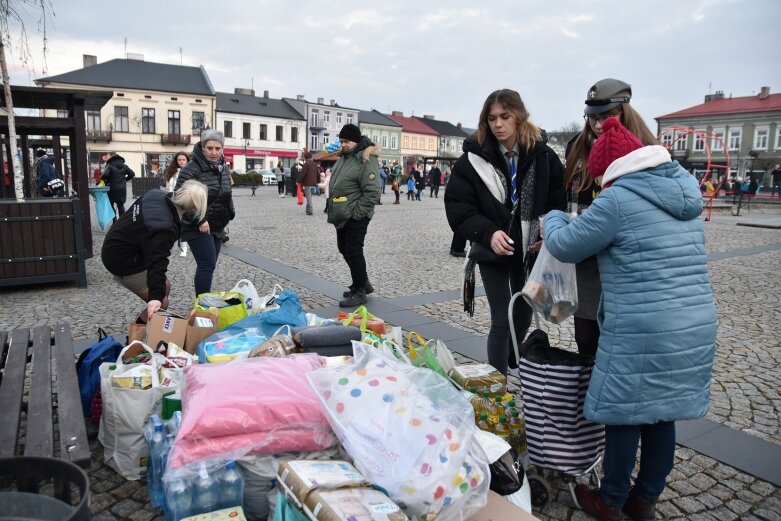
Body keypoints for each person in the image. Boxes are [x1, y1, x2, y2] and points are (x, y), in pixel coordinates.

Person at [543, 116, 717, 521]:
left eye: (602, 175)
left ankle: (612, 499)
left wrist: (554, 216)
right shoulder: (685, 190)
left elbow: (565, 245)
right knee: (661, 413)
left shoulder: (618, 198)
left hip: (643, 326)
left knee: (624, 412)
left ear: (614, 170)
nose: (602, 183)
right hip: (693, 322)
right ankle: (646, 499)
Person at [444, 88, 566, 376]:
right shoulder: (472, 160)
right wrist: (487, 233)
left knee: (523, 312)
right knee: (501, 318)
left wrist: (545, 232)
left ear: (519, 117)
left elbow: (556, 200)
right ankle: (497, 386)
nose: (498, 124)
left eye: (505, 117)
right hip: (492, 248)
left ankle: (513, 350)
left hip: (529, 250)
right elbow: (459, 208)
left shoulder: (544, 157)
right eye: (491, 118)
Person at [563, 78, 659, 358]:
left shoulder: (644, 147)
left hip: (622, 257)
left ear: (624, 111)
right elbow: (567, 193)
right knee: (585, 337)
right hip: (584, 255)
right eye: (591, 116)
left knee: (618, 342)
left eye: (606, 115)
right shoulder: (576, 145)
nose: (596, 123)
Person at [101, 180, 208, 323]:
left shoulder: (155, 194)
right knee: (162, 304)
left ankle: (147, 328)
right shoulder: (164, 227)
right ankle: (137, 336)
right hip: (122, 260)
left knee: (166, 286)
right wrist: (155, 298)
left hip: (115, 244)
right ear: (192, 209)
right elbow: (157, 262)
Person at [174, 129, 235, 296]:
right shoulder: (191, 169)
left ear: (222, 148)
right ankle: (202, 305)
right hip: (195, 225)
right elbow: (180, 199)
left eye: (217, 148)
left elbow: (226, 191)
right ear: (202, 148)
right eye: (210, 148)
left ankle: (204, 300)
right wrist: (200, 221)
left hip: (216, 224)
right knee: (206, 265)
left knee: (210, 265)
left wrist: (230, 212)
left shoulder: (222, 168)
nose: (214, 152)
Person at [327, 123, 381, 307]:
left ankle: (359, 291)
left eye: (346, 141)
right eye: (341, 141)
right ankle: (363, 282)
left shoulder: (365, 159)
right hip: (343, 213)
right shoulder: (345, 157)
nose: (343, 144)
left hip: (356, 214)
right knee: (343, 248)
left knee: (354, 250)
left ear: (356, 141)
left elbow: (373, 192)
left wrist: (357, 214)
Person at [164, 151, 191, 257]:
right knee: (175, 224)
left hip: (187, 199)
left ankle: (185, 247)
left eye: (183, 159)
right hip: (174, 200)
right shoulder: (172, 171)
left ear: (187, 160)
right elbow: (168, 187)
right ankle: (179, 246)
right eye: (179, 159)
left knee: (185, 224)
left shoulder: (191, 170)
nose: (181, 161)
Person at [101, 153, 136, 219]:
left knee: (111, 205)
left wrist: (104, 180)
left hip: (111, 189)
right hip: (121, 189)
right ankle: (121, 222)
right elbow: (132, 174)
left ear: (112, 159)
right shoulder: (124, 166)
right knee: (120, 205)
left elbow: (105, 175)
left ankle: (114, 221)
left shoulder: (110, 165)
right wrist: (125, 179)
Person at [300, 151, 319, 215]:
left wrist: (298, 180)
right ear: (311, 157)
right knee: (310, 197)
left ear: (305, 157)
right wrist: (317, 182)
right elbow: (318, 174)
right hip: (314, 183)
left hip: (307, 183)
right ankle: (307, 210)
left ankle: (310, 210)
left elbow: (303, 174)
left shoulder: (306, 164)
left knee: (309, 197)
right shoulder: (315, 164)